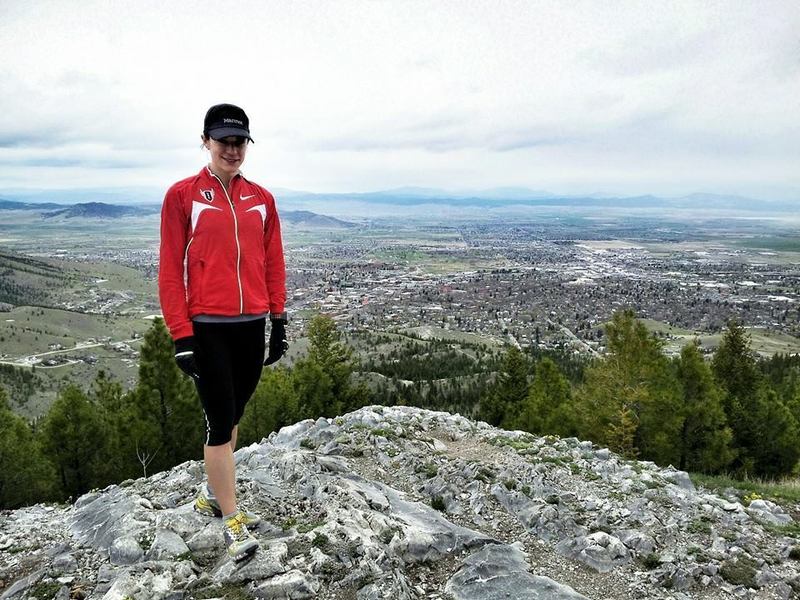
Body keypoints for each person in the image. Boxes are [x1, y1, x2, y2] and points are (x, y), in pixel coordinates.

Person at [158, 103, 288, 560]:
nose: (232, 149)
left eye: (239, 141)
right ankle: (230, 515)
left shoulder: (262, 199)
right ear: (206, 141)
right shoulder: (182, 196)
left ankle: (212, 493)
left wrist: (278, 319)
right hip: (207, 328)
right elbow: (170, 270)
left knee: (232, 417)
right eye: (223, 140)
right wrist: (181, 336)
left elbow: (272, 261)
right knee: (218, 424)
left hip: (251, 325)